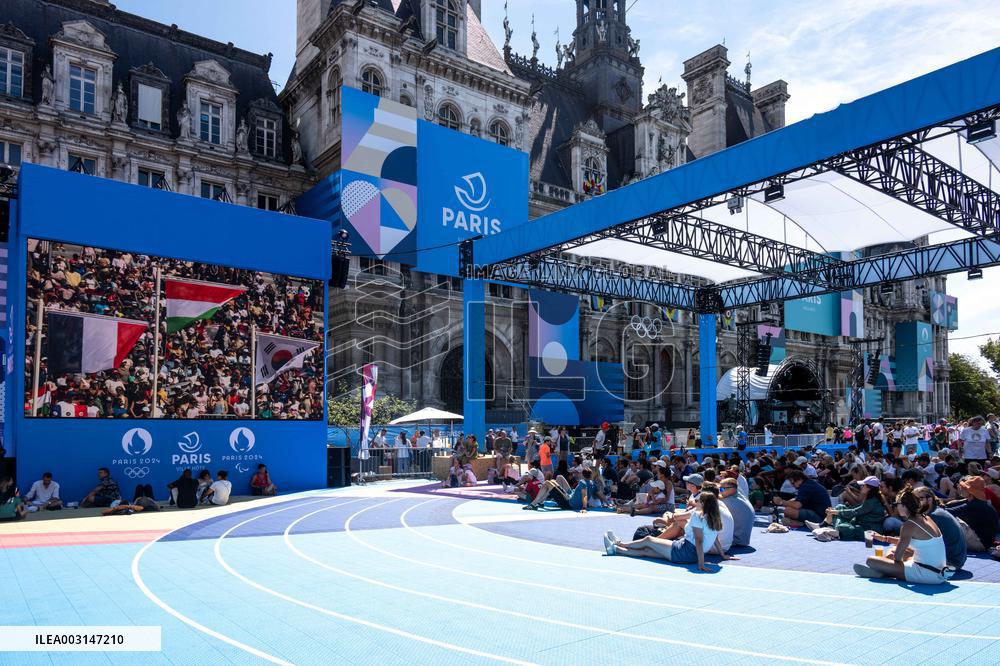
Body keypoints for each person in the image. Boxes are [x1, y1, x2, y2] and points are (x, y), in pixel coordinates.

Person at [604, 492, 738, 571]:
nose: (695, 502)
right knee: (647, 551)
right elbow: (715, 538)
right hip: (690, 553)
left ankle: (620, 544)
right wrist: (723, 554)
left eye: (698, 500)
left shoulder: (698, 516)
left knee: (648, 540)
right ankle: (615, 550)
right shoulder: (714, 518)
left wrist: (701, 564)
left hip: (684, 551)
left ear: (703, 503)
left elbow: (698, 540)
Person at [854, 486, 948, 585]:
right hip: (939, 572)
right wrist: (884, 539)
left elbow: (897, 558)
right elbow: (916, 543)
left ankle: (883, 573)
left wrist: (889, 563)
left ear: (903, 505)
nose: (895, 507)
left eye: (896, 504)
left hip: (926, 574)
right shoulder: (926, 518)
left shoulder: (909, 525)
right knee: (893, 550)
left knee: (871, 561)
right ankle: (885, 571)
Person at [812, 476, 886, 542]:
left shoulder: (872, 501)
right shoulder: (870, 499)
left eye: (863, 485)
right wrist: (837, 511)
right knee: (840, 506)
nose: (861, 487)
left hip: (868, 530)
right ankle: (827, 526)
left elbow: (855, 512)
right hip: (860, 523)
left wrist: (836, 512)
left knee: (843, 527)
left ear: (869, 488)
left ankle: (828, 527)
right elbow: (856, 508)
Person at [913, 486, 967, 569]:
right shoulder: (937, 511)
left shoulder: (933, 517)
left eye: (918, 499)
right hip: (957, 560)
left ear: (930, 500)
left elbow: (921, 545)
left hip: (950, 562)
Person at [944, 475, 998, 551]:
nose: (960, 488)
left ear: (971, 492)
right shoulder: (976, 502)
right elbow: (952, 506)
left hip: (980, 544)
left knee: (947, 519)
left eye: (964, 488)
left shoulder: (974, 505)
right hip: (985, 542)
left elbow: (946, 512)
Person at [522, 468, 596, 512]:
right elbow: (599, 494)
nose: (578, 474)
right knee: (558, 477)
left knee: (547, 483)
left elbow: (584, 495)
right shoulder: (592, 483)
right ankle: (540, 502)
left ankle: (533, 504)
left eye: (580, 473)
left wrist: (584, 508)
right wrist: (606, 504)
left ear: (582, 475)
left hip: (569, 504)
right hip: (571, 496)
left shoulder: (583, 482)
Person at [719, 477, 754, 547]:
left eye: (722, 489)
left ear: (732, 489)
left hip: (736, 541)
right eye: (719, 489)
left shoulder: (728, 502)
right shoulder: (741, 495)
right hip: (744, 539)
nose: (720, 491)